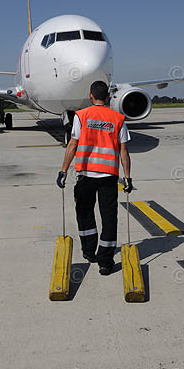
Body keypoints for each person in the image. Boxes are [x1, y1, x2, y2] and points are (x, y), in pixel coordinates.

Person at [56, 81, 133, 275]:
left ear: (91, 96)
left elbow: (73, 145)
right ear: (107, 97)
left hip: (86, 176)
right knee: (109, 218)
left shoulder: (81, 116)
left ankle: (89, 252)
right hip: (108, 176)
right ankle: (105, 262)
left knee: (84, 213)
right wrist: (128, 177)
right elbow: (123, 150)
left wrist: (63, 171)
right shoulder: (118, 118)